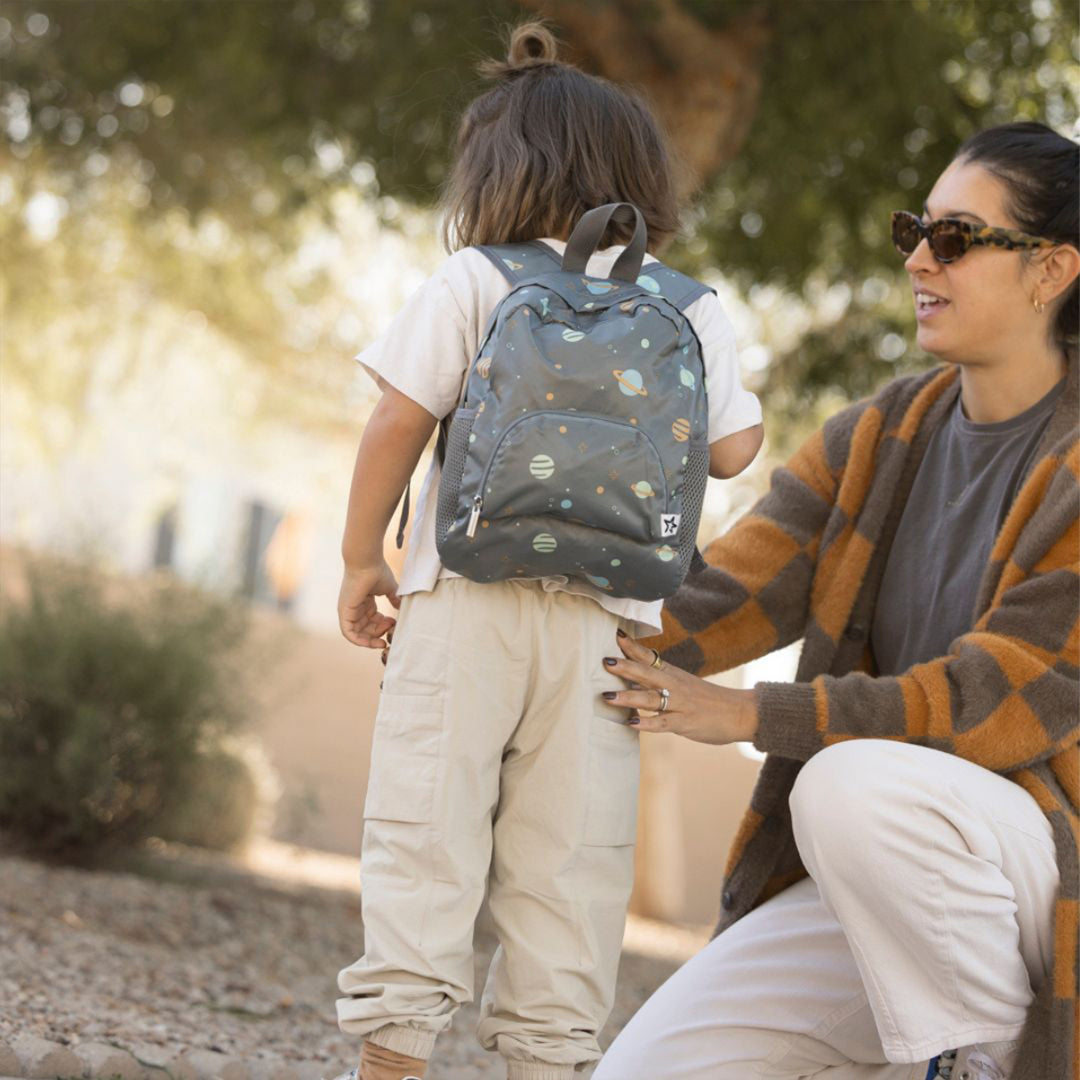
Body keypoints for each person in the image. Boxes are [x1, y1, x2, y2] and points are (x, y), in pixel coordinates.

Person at [592, 120, 1079, 1080]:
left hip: (1040, 869)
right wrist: (522, 615)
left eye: (957, 238)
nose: (919, 261)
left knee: (847, 782)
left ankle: (976, 1057)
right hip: (901, 873)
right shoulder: (878, 435)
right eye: (915, 231)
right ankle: (940, 1039)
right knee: (646, 1072)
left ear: (1052, 269)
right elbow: (718, 596)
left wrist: (749, 715)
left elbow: (998, 699)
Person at [332, 22, 765, 1080]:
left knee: (426, 843)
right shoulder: (691, 306)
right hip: (607, 635)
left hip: (463, 606)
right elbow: (737, 446)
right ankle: (549, 1058)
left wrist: (360, 559)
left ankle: (393, 1061)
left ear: (497, 172)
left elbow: (395, 420)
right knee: (569, 873)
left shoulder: (477, 279)